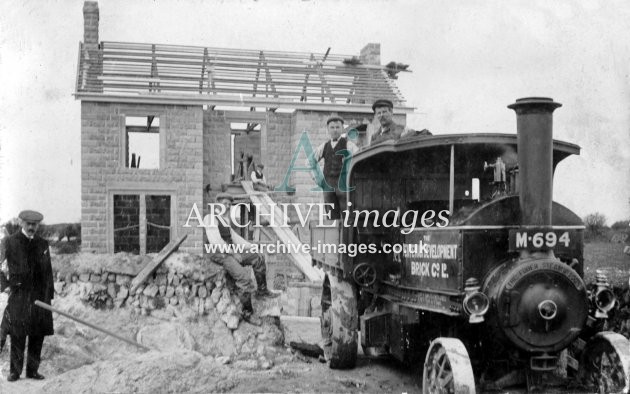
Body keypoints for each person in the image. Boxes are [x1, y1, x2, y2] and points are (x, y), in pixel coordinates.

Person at [204, 193, 279, 326]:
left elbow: (236, 239)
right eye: (224, 203)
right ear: (217, 204)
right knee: (244, 277)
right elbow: (216, 241)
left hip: (230, 252)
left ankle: (262, 291)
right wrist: (233, 253)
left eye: (229, 204)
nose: (227, 206)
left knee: (258, 257)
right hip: (219, 254)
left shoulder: (225, 220)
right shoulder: (210, 218)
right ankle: (247, 312)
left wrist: (252, 247)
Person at [4, 210, 54, 382]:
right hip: (19, 295)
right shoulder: (9, 242)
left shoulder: (43, 244)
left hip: (39, 296)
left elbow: (48, 272)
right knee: (18, 333)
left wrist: (49, 296)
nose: (32, 227)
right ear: (21, 223)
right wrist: (5, 286)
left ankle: (32, 371)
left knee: (37, 333)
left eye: (35, 224)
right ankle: (15, 372)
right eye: (28, 223)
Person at [311, 116, 358, 220]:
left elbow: (359, 161)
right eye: (332, 127)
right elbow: (310, 162)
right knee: (331, 218)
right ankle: (335, 236)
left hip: (344, 187)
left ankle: (347, 236)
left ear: (342, 129)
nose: (335, 130)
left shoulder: (349, 145)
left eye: (337, 127)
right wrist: (318, 179)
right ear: (328, 129)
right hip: (328, 187)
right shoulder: (324, 146)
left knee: (348, 217)